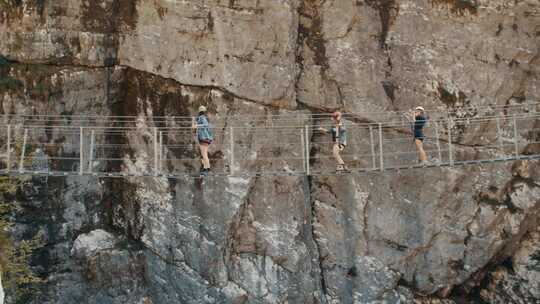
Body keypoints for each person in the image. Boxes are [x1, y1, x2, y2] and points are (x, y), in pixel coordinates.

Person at [192, 105, 213, 176]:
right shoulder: (203, 117)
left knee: (204, 154)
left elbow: (205, 125)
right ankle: (205, 168)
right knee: (203, 154)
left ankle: (208, 169)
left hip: (204, 138)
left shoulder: (202, 117)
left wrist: (196, 126)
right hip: (204, 138)